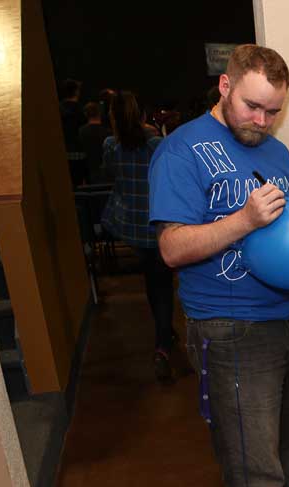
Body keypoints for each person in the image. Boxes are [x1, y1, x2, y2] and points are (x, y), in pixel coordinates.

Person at [148, 44, 289, 487]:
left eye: (273, 110)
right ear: (224, 87)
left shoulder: (276, 151)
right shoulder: (181, 151)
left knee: (288, 444)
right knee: (252, 462)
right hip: (229, 330)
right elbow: (172, 248)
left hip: (285, 319)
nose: (261, 121)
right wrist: (243, 219)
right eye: (252, 107)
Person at [101, 91, 174, 381]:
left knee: (151, 281)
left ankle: (164, 330)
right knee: (165, 286)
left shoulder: (111, 145)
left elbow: (109, 174)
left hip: (132, 226)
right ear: (142, 114)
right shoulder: (156, 144)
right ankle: (163, 346)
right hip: (158, 226)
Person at [59, 78, 86, 186]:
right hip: (79, 153)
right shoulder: (80, 110)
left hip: (63, 152)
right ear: (76, 91)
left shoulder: (58, 108)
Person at [79, 101, 111, 185]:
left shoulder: (81, 131)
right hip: (106, 173)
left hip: (88, 171)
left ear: (86, 114)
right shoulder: (107, 132)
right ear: (100, 113)